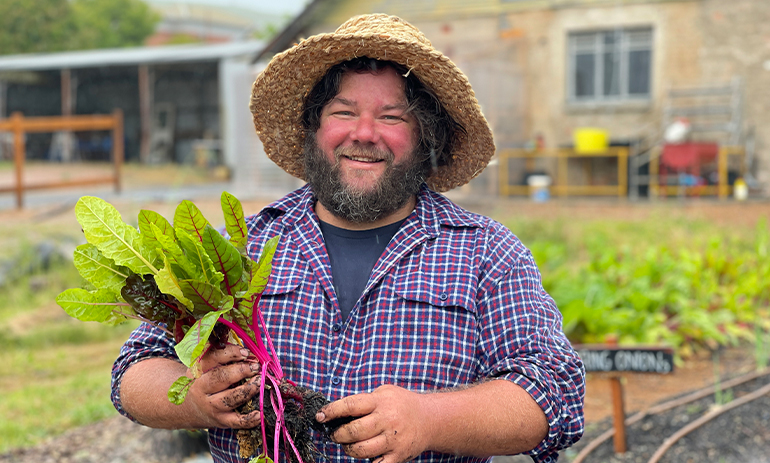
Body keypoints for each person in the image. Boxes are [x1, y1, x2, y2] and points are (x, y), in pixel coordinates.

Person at [111, 13, 585, 463]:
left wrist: (430, 418)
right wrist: (195, 401)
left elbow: (556, 391)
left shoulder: (486, 252)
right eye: (343, 111)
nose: (363, 133)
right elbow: (135, 369)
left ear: (425, 136)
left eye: (392, 117)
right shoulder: (236, 247)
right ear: (314, 128)